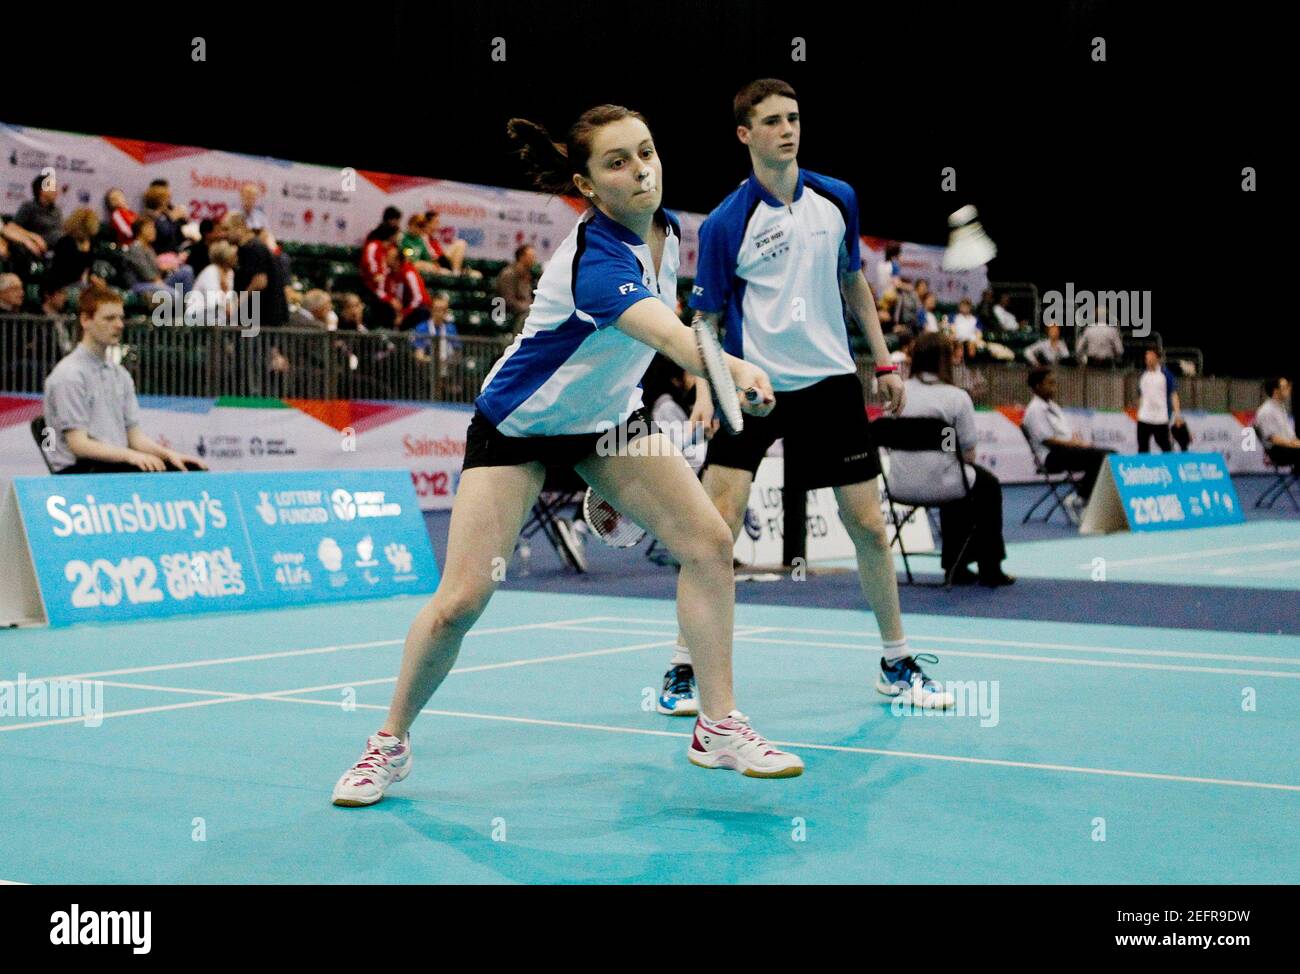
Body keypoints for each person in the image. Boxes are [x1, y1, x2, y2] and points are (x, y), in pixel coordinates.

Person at [330, 104, 800, 808]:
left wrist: (617, 461)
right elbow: (669, 338)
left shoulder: (666, 232)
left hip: (606, 426)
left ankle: (717, 725)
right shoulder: (595, 262)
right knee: (463, 600)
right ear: (586, 185)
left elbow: (636, 352)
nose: (641, 170)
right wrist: (731, 368)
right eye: (618, 162)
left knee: (706, 542)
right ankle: (388, 744)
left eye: (646, 152)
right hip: (519, 428)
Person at [653, 77, 957, 720]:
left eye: (793, 118)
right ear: (745, 134)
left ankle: (896, 661)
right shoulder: (727, 221)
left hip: (830, 383)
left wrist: (884, 361)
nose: (787, 129)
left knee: (869, 525)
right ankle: (683, 669)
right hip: (754, 387)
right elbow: (704, 318)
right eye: (771, 121)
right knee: (713, 529)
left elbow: (854, 285)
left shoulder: (836, 197)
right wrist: (709, 385)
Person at [42, 285, 208, 474]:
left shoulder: (120, 374)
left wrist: (169, 455)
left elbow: (135, 438)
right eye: (109, 318)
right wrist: (131, 456)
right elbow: (79, 445)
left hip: (115, 464)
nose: (119, 325)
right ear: (85, 320)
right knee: (143, 470)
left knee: (190, 470)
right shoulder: (69, 375)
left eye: (121, 318)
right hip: (80, 471)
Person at [894, 333, 1012, 585]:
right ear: (945, 361)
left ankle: (954, 565)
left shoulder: (898, 391)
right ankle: (989, 567)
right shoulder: (956, 397)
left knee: (956, 476)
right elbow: (968, 453)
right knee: (984, 484)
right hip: (942, 481)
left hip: (898, 484)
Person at [1022, 367, 1111, 522]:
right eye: (1049, 383)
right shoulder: (1034, 410)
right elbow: (1048, 441)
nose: (1054, 387)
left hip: (1066, 450)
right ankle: (1079, 500)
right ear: (1037, 386)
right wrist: (1075, 445)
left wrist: (1078, 442)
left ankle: (1088, 500)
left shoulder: (1054, 407)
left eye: (1054, 383)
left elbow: (1065, 434)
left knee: (1111, 455)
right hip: (1051, 457)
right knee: (1100, 457)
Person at [1136, 347, 1184, 453]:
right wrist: (1138, 412)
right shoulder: (1143, 375)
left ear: (1157, 359)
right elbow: (1141, 395)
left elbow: (1173, 395)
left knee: (1165, 447)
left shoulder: (1166, 375)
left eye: (1151, 357)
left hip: (1160, 418)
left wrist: (1177, 415)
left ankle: (1170, 466)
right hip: (1144, 417)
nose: (1148, 360)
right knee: (1142, 448)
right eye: (1146, 357)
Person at [1254, 377, 1299, 467]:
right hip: (1279, 451)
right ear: (1276, 391)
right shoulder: (1266, 411)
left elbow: (1290, 435)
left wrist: (1296, 442)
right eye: (1285, 387)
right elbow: (1273, 439)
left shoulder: (1280, 408)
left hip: (1288, 448)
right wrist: (1294, 444)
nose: (1289, 389)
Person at [14, 173, 64, 252]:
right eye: (53, 188)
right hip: (37, 248)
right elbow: (14, 228)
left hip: (57, 249)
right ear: (41, 190)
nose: (56, 191)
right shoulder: (28, 207)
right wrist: (32, 238)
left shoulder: (57, 210)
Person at [494, 244, 537, 333]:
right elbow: (508, 300)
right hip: (509, 311)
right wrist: (528, 307)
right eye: (531, 256)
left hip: (526, 308)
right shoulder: (509, 274)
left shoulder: (529, 274)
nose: (534, 259)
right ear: (522, 257)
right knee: (528, 314)